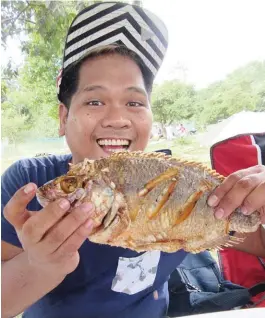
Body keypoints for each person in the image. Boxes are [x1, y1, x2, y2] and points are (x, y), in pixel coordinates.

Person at [1, 2, 265, 318]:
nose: (117, 118)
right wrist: (39, 266)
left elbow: (254, 238)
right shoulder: (29, 185)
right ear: (64, 116)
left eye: (134, 102)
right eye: (95, 100)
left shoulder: (179, 184)